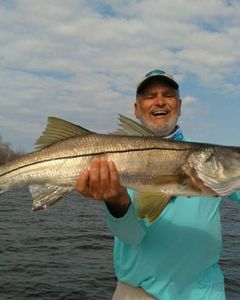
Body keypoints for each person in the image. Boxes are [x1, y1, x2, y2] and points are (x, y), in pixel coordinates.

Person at [76, 69, 240, 300]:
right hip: (137, 293)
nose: (160, 101)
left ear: (180, 105)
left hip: (205, 294)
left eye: (168, 95)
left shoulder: (209, 158)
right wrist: (116, 201)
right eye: (150, 96)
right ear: (136, 109)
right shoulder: (120, 160)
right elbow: (132, 236)